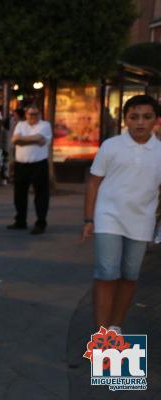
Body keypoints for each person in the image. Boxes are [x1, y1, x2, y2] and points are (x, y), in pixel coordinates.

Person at [82, 95, 161, 334]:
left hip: (142, 221)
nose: (140, 122)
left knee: (130, 275)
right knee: (107, 273)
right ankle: (102, 333)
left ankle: (115, 326)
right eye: (134, 117)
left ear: (156, 120)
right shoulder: (111, 146)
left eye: (146, 117)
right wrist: (89, 219)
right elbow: (94, 183)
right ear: (125, 119)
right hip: (108, 217)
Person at [7, 105, 52, 235]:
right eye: (30, 114)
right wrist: (33, 139)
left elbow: (39, 139)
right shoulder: (21, 124)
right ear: (26, 115)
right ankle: (20, 221)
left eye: (35, 114)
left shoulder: (45, 125)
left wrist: (23, 140)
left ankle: (41, 222)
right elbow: (15, 140)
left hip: (39, 164)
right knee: (19, 194)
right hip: (21, 164)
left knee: (41, 194)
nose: (33, 116)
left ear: (40, 114)